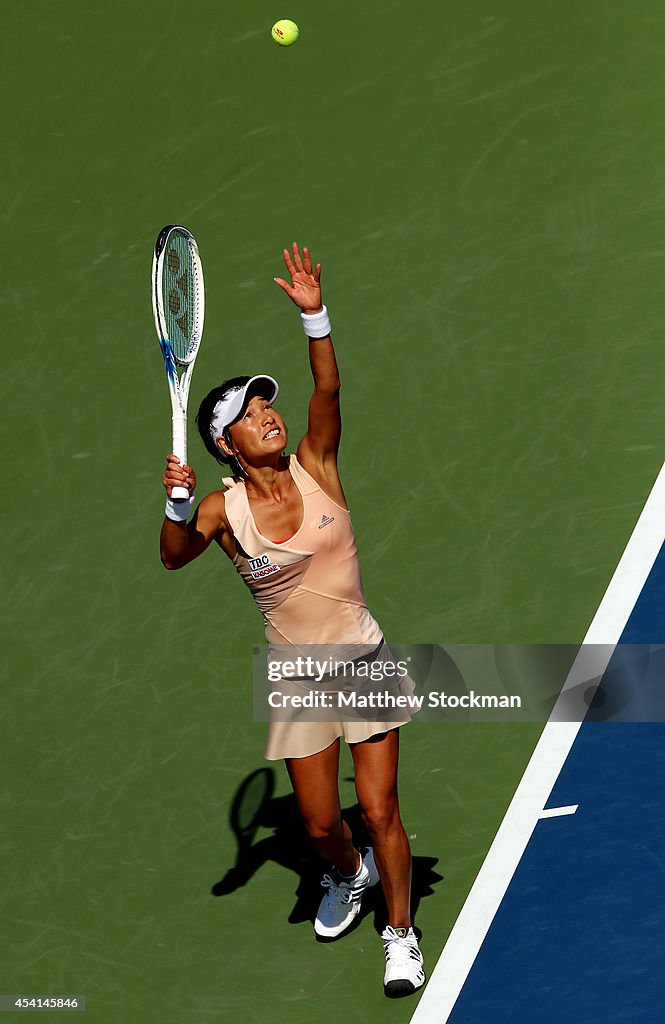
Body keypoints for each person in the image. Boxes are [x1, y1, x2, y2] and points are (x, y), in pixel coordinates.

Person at [160, 243, 425, 998]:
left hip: (362, 659)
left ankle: (400, 936)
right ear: (225, 445)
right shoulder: (220, 509)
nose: (265, 415)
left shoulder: (318, 461)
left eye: (265, 404)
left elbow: (328, 388)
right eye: (247, 415)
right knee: (318, 827)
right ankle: (349, 877)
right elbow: (174, 557)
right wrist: (177, 507)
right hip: (297, 674)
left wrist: (316, 316)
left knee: (378, 809)